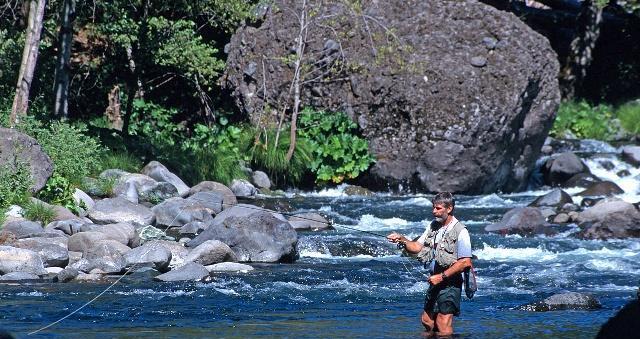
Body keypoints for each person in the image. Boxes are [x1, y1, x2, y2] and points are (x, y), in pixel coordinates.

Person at [387, 192, 472, 337]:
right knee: (427, 321)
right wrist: (402, 239)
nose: (434, 211)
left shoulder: (461, 231)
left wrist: (441, 276)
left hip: (450, 282)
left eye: (438, 208)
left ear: (449, 208)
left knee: (443, 323)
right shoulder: (433, 226)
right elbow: (417, 247)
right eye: (433, 208)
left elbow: (465, 262)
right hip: (435, 280)